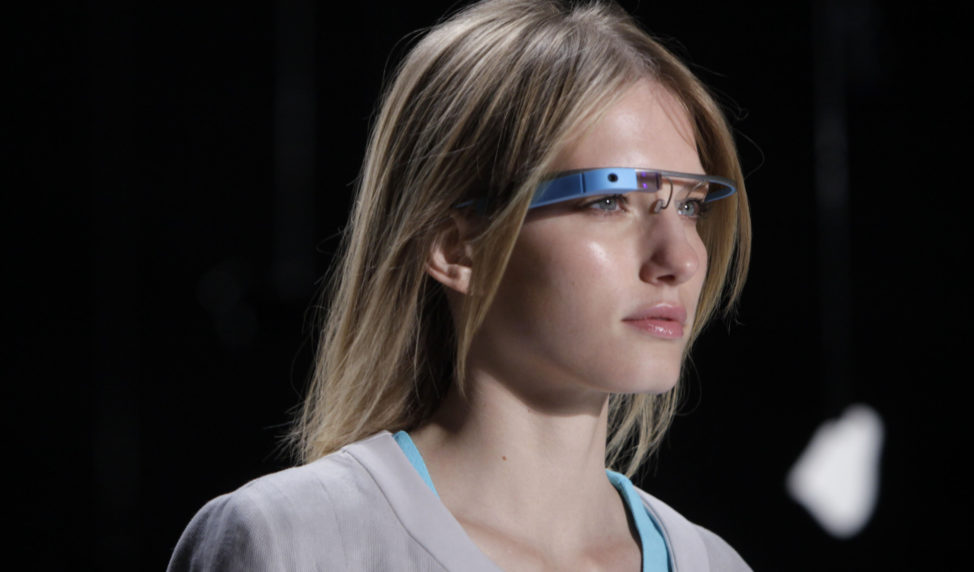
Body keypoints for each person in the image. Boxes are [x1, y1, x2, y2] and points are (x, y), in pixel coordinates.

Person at [169, 0, 752, 569]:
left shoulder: (714, 563)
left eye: (691, 206)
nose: (680, 259)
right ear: (456, 248)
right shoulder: (290, 544)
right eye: (609, 200)